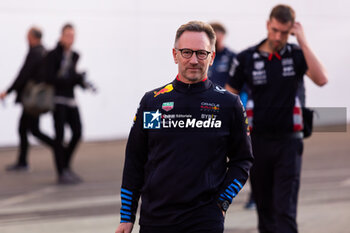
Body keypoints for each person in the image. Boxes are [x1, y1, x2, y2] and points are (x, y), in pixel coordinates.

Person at [115, 21, 253, 233]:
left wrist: (222, 201)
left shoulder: (228, 104)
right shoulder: (154, 103)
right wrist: (127, 216)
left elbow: (242, 160)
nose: (194, 60)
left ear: (212, 57)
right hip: (155, 219)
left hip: (204, 220)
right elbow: (135, 160)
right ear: (175, 54)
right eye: (186, 52)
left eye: (201, 53)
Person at [226, 4, 328, 233]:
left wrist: (302, 40)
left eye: (284, 32)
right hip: (257, 142)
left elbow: (321, 79)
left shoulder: (297, 54)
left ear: (291, 29)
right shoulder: (247, 58)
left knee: (285, 210)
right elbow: (229, 94)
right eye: (275, 30)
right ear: (267, 25)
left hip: (289, 143)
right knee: (265, 209)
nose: (278, 36)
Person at [0, 27, 58, 172]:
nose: (26, 39)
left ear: (33, 37)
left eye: (27, 36)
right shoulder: (44, 52)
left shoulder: (34, 53)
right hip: (38, 98)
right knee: (29, 129)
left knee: (29, 129)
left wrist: (8, 91)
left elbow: (23, 75)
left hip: (31, 99)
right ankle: (24, 160)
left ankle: (57, 149)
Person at [45, 23, 86, 184]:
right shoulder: (53, 54)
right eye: (67, 35)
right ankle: (61, 172)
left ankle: (66, 166)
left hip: (70, 99)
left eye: (72, 35)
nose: (70, 38)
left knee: (77, 132)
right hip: (57, 100)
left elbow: (72, 77)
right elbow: (49, 78)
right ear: (61, 36)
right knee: (59, 136)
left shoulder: (75, 55)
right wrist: (72, 79)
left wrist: (80, 81)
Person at [208, 22, 236, 87]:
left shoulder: (232, 56)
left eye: (215, 37)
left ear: (223, 36)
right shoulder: (203, 56)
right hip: (207, 95)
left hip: (225, 94)